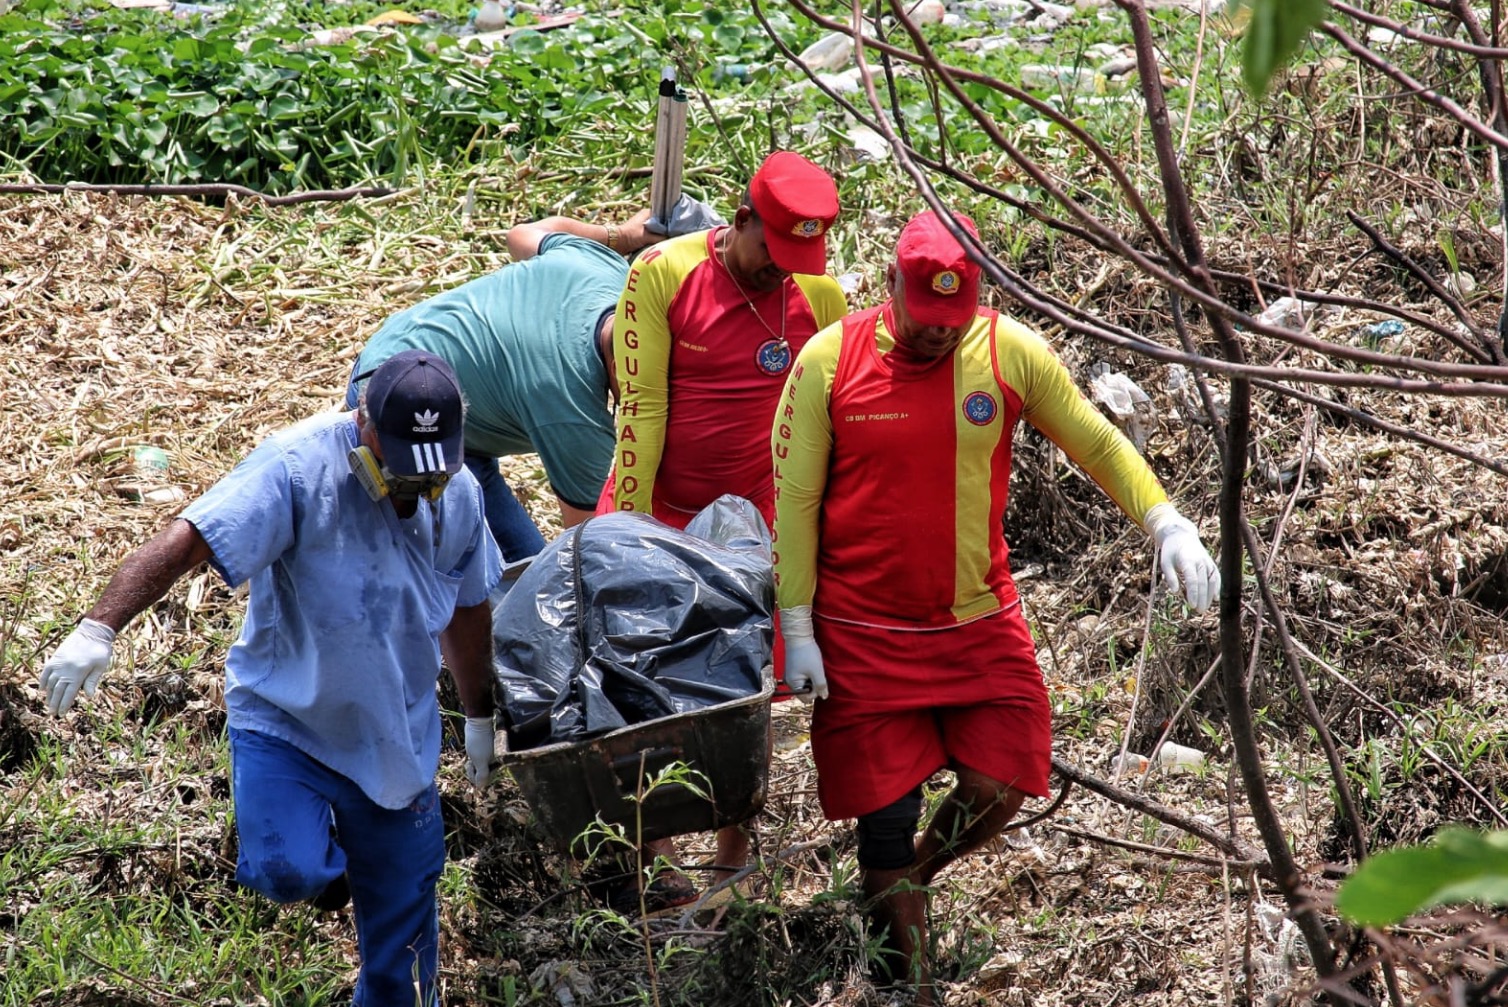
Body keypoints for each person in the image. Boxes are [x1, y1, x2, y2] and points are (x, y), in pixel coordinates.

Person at [771, 210, 1221, 1003]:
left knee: (1002, 777)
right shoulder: (827, 361)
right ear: (890, 285)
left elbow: (1096, 441)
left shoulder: (1008, 351)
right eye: (924, 314)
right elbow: (796, 500)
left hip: (976, 623)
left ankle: (911, 877)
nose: (939, 331)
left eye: (954, 317)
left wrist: (1165, 521)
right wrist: (797, 625)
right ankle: (908, 983)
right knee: (885, 817)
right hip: (862, 632)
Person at [39, 351, 505, 1007]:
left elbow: (467, 607)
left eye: (431, 474)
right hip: (289, 719)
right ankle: (336, 867)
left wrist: (479, 714)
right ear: (365, 425)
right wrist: (99, 627)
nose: (415, 489)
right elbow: (189, 539)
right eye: (401, 469)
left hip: (395, 729)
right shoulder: (296, 467)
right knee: (286, 869)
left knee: (405, 945)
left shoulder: (459, 494)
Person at [598, 149, 849, 907]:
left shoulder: (818, 295)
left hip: (758, 520)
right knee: (645, 679)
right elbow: (641, 410)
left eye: (799, 262)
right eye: (772, 254)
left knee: (750, 689)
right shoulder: (664, 274)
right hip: (660, 503)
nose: (782, 274)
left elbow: (829, 422)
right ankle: (658, 856)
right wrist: (633, 536)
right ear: (740, 220)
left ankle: (732, 864)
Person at [348, 199, 720, 562]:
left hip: (437, 383)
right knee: (434, 572)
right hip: (396, 403)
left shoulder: (606, 271)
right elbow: (592, 551)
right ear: (621, 366)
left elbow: (522, 234)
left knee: (521, 566)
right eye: (654, 391)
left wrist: (621, 235)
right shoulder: (573, 412)